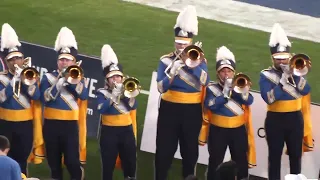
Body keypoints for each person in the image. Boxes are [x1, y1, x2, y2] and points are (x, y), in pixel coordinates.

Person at [155, 5, 210, 180]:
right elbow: (160, 88)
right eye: (178, 43)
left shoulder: (200, 60)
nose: (180, 47)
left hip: (191, 111)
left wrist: (191, 64)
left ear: (191, 44)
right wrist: (171, 73)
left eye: (184, 44)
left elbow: (205, 82)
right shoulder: (165, 61)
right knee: (164, 150)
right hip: (169, 108)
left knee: (189, 151)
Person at [259, 23, 313, 180]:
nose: (282, 62)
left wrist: (294, 76)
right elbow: (268, 98)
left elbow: (306, 90)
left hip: (295, 119)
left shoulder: (296, 73)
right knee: (274, 158)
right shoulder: (266, 75)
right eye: (278, 59)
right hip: (275, 120)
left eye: (285, 59)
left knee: (296, 156)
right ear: (272, 58)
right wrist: (282, 83)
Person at [198, 46, 256, 180]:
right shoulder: (212, 88)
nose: (226, 74)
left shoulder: (239, 88)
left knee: (241, 161)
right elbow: (209, 105)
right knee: (215, 161)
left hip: (238, 130)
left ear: (233, 73)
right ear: (218, 73)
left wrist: (239, 91)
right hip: (218, 130)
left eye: (229, 71)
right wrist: (224, 94)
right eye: (223, 71)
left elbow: (249, 101)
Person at [39, 27, 88, 180]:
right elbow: (45, 98)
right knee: (53, 162)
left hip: (70, 125)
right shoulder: (47, 77)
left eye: (67, 59)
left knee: (71, 161)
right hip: (51, 124)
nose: (64, 62)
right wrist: (60, 81)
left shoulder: (79, 78)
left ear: (74, 62)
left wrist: (71, 80)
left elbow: (84, 95)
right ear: (57, 62)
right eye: (62, 59)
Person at [0, 23, 44, 176]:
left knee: (22, 158)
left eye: (18, 58)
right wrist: (13, 83)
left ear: (23, 59)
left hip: (24, 124)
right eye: (11, 59)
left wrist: (27, 81)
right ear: (7, 61)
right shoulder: (1, 78)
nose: (15, 62)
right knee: (3, 157)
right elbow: (1, 99)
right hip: (4, 123)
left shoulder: (31, 76)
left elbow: (37, 97)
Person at [96, 44, 138, 180]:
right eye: (112, 77)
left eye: (118, 77)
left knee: (130, 164)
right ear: (107, 80)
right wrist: (113, 96)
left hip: (127, 131)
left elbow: (133, 106)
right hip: (109, 132)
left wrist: (126, 94)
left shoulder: (127, 90)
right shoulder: (102, 92)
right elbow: (101, 109)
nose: (116, 80)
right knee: (108, 166)